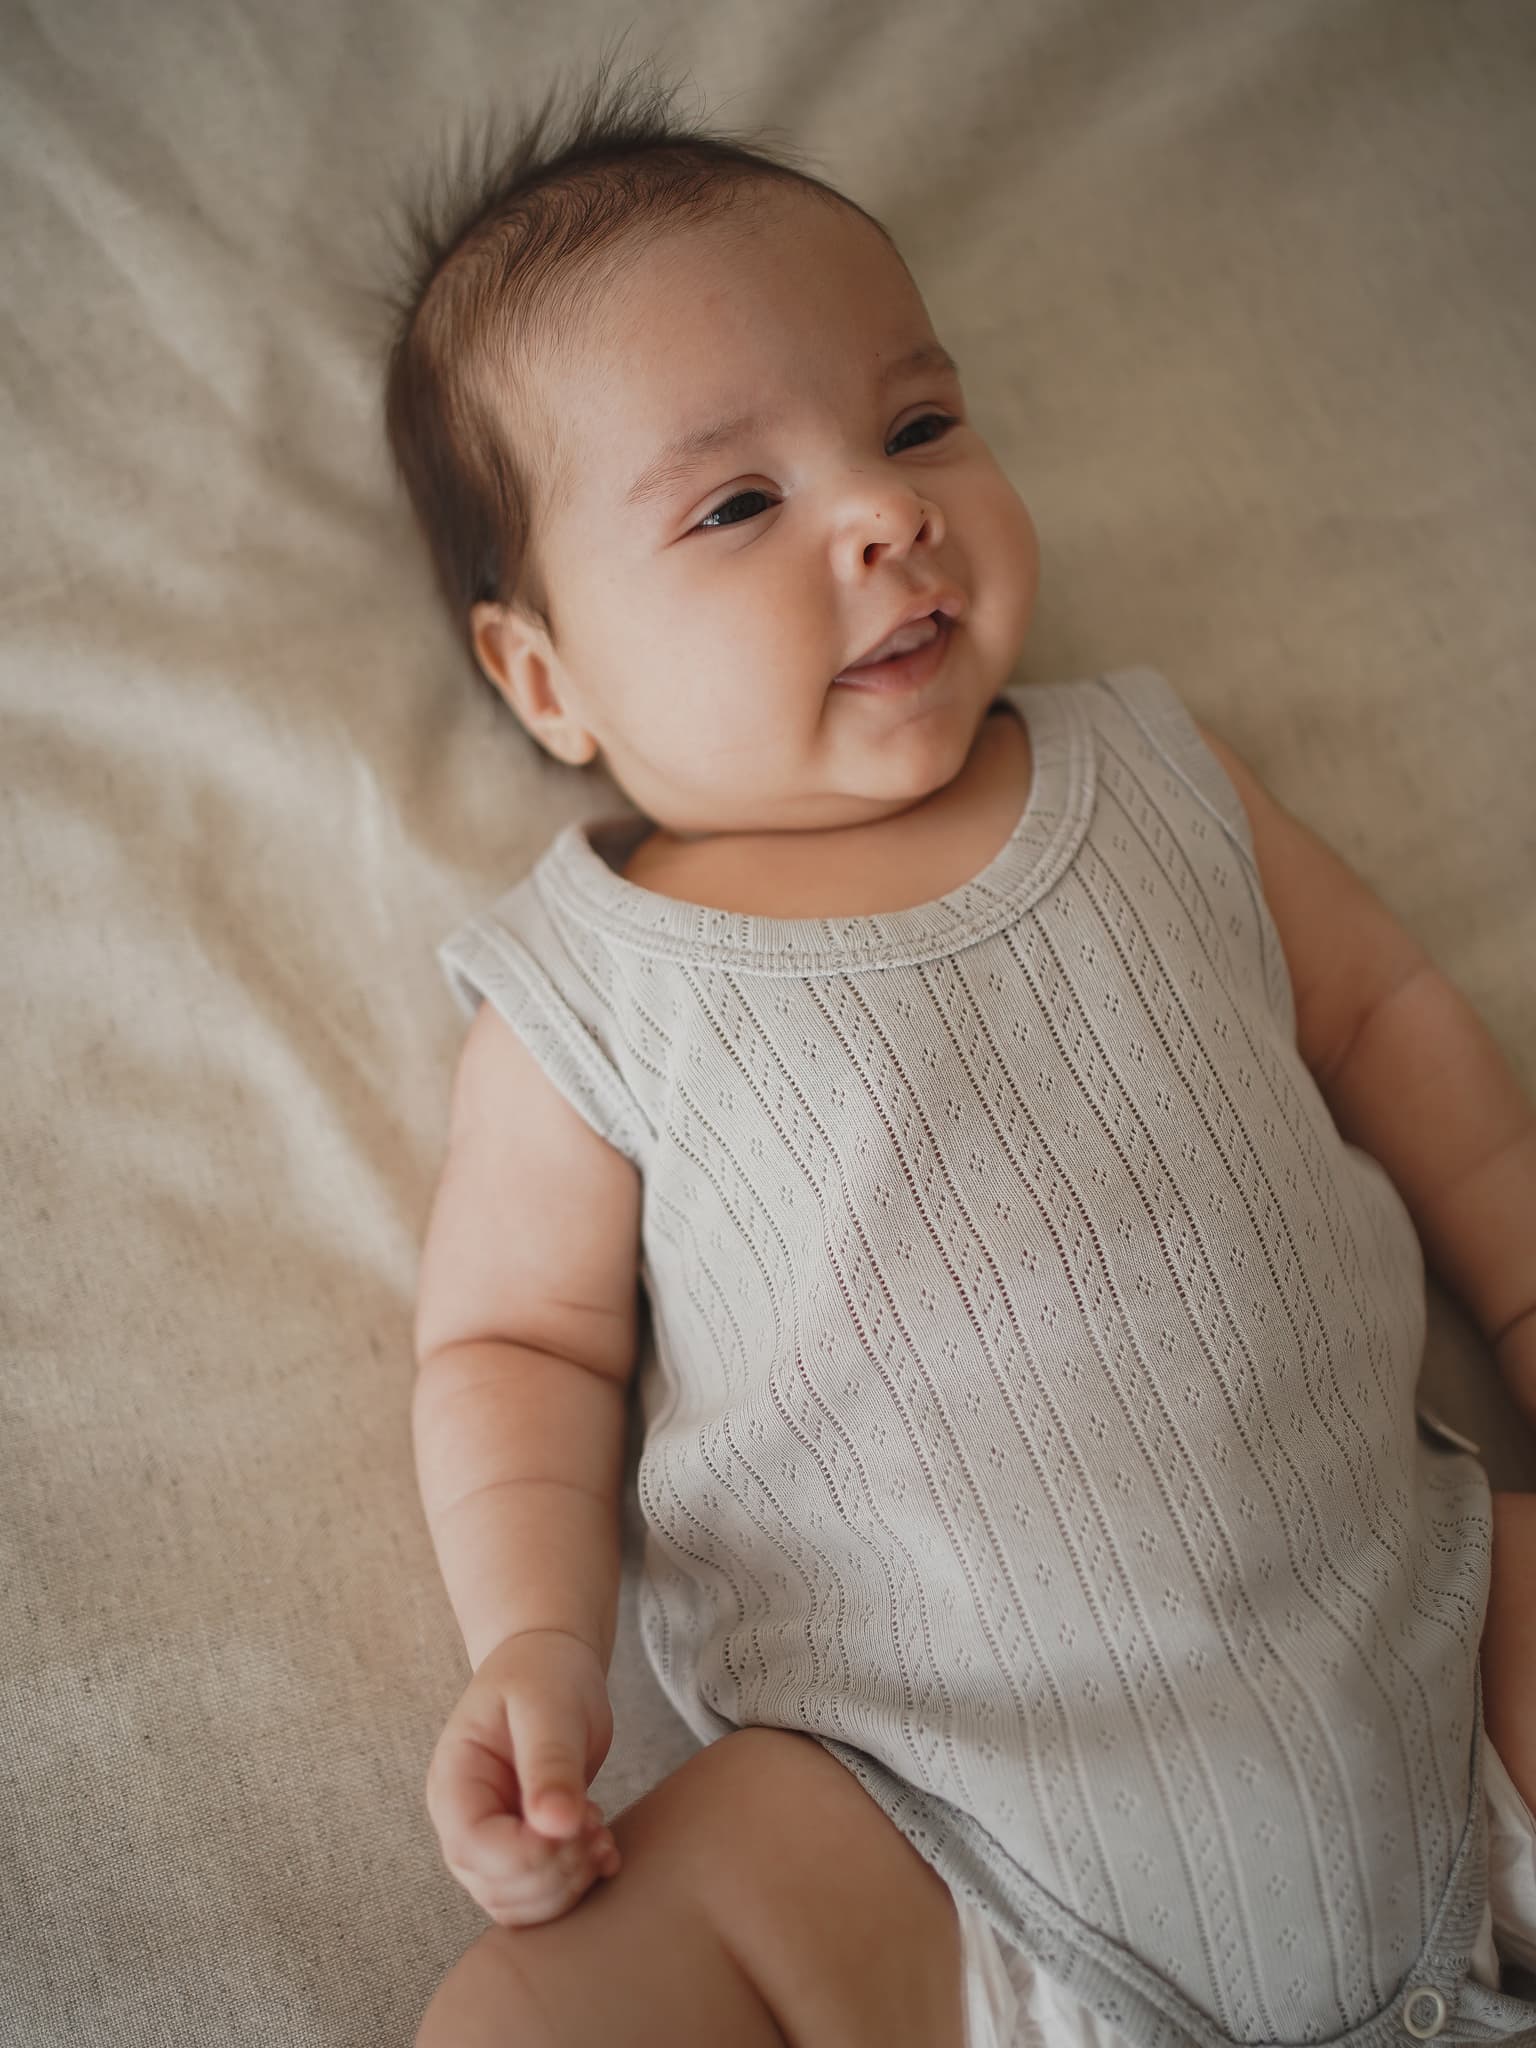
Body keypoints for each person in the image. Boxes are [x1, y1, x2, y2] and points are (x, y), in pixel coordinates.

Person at [387, 53, 1536, 2048]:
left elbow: (1383, 1013)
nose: (886, 510)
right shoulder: (595, 986)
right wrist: (535, 1642)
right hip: (925, 1843)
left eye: (916, 423)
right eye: (739, 501)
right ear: (545, 673)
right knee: (527, 2011)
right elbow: (511, 1345)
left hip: (1428, 1657)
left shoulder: (1151, 770)